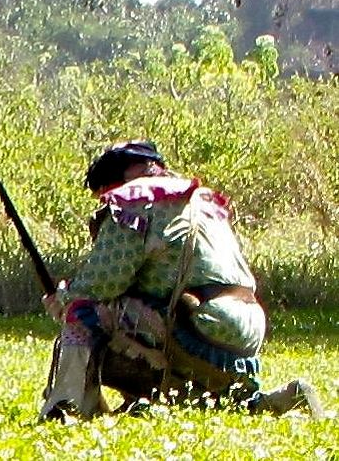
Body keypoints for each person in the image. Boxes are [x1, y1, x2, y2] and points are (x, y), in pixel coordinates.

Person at [39, 139, 324, 421]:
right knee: (232, 404)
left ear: (116, 181)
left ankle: (67, 409)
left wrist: (64, 299)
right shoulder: (200, 202)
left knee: (84, 313)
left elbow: (102, 284)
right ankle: (287, 396)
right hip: (245, 328)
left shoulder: (133, 202)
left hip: (196, 323)